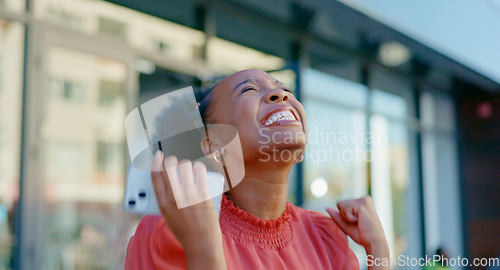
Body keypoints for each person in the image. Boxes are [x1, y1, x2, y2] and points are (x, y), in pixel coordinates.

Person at [125, 69, 389, 269]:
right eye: (248, 90)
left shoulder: (324, 235)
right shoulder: (167, 234)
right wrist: (202, 247)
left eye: (285, 89)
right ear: (212, 144)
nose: (281, 95)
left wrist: (378, 252)